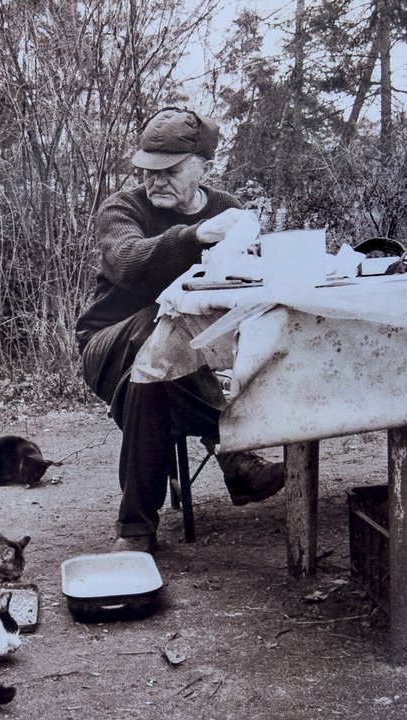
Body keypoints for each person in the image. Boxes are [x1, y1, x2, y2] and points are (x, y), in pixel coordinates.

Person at [74, 107, 285, 553]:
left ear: (203, 169)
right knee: (161, 323)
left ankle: (136, 530)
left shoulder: (228, 210)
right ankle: (232, 449)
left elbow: (249, 278)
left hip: (178, 361)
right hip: (108, 342)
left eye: (169, 172)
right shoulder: (122, 208)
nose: (155, 182)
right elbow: (127, 261)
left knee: (147, 385)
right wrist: (196, 237)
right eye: (148, 172)